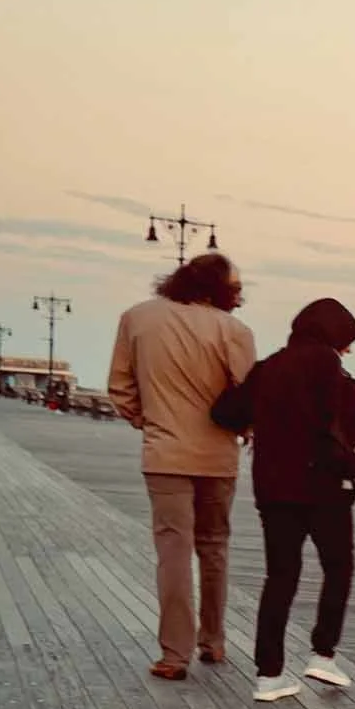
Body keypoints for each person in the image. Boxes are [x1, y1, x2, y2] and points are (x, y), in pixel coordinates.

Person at [106, 253, 258, 680]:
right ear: (222, 289)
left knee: (172, 552)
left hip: (164, 453)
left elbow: (120, 386)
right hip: (218, 456)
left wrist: (146, 419)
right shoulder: (234, 330)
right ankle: (213, 640)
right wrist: (241, 428)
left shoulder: (136, 318)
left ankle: (174, 654)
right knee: (214, 548)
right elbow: (247, 396)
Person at [246, 297, 355, 702]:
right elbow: (344, 425)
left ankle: (269, 676)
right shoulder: (335, 375)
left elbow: (226, 412)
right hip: (324, 491)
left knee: (280, 578)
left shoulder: (267, 368)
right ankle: (323, 653)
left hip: (274, 491)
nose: (348, 349)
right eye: (347, 340)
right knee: (338, 568)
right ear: (333, 334)